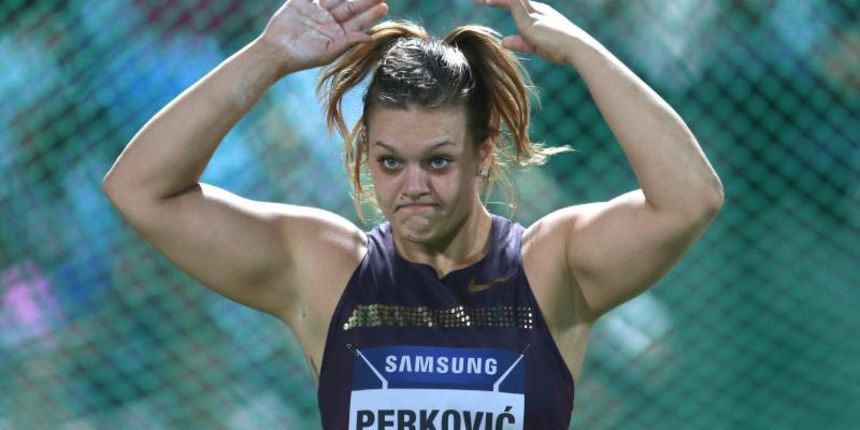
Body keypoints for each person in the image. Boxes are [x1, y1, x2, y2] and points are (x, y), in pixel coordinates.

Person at [103, 0, 724, 428]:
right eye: (390, 162)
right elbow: (140, 189)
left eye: (439, 161)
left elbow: (690, 199)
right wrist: (268, 55)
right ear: (365, 156)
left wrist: (585, 51)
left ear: (484, 154)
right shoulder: (327, 269)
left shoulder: (546, 265)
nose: (414, 187)